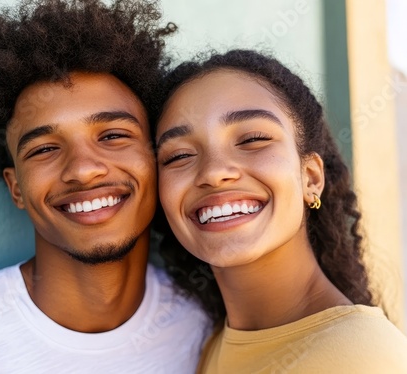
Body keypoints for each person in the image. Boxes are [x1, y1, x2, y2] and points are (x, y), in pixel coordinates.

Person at [0, 1, 211, 373]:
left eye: (114, 135)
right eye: (45, 148)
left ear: (156, 157)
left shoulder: (207, 321)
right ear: (16, 187)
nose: (83, 170)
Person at [153, 49, 407, 373]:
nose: (214, 172)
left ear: (311, 178)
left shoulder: (359, 358)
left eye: (253, 139)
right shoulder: (213, 343)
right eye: (179, 156)